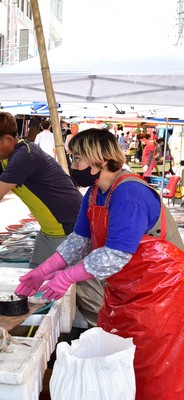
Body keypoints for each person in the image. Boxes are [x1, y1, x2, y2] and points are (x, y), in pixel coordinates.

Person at [15, 128, 184, 399]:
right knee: (118, 364)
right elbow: (79, 240)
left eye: (77, 160)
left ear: (100, 161)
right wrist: (44, 270)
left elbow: (115, 254)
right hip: (124, 290)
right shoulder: (94, 193)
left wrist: (68, 276)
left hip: (159, 293)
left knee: (150, 366)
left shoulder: (130, 193)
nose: (73, 167)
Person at [0, 111, 103, 327]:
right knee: (34, 284)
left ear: (7, 139)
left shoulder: (24, 155)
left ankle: (105, 333)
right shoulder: (4, 157)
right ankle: (48, 330)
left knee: (86, 293)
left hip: (70, 229)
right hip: (49, 230)